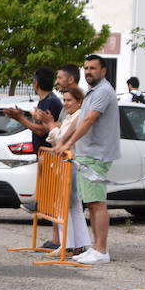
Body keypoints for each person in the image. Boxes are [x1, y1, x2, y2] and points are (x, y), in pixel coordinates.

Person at [58, 55, 120, 265]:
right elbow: (79, 121)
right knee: (92, 203)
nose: (88, 72)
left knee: (97, 203)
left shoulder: (103, 91)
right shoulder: (92, 92)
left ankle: (101, 250)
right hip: (87, 155)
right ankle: (95, 248)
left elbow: (89, 120)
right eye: (85, 68)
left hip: (96, 154)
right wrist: (64, 141)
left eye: (92, 68)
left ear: (103, 71)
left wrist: (67, 144)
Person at [46, 86, 93, 255]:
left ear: (79, 101)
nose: (65, 104)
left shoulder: (78, 116)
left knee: (67, 205)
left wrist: (51, 126)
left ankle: (69, 244)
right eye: (64, 100)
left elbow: (61, 139)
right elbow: (57, 140)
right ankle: (74, 243)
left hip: (70, 163)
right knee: (70, 205)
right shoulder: (69, 117)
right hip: (65, 163)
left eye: (69, 100)